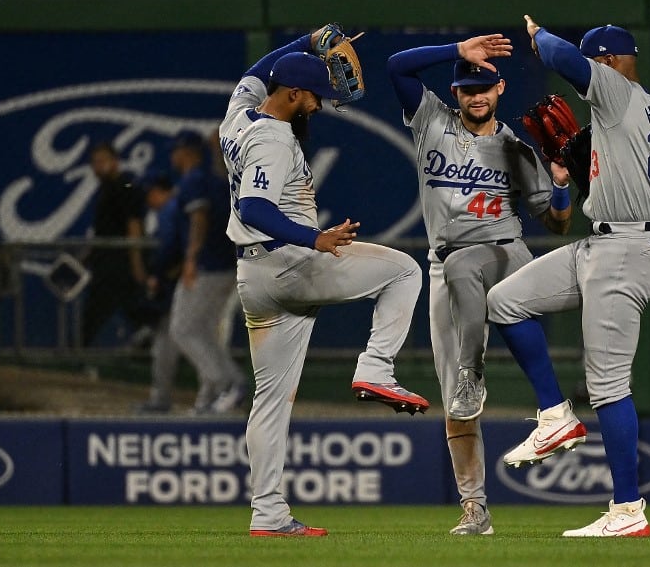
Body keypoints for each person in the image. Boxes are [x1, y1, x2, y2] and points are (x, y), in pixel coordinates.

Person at [219, 28, 429, 537]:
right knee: (405, 270)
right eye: (314, 95)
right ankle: (376, 369)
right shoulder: (273, 137)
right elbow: (254, 207)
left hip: (254, 278)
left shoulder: (238, 116)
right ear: (291, 94)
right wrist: (312, 240)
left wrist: (310, 40)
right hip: (290, 264)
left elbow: (260, 70)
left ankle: (268, 515)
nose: (318, 104)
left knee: (270, 403)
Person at [486, 16, 650, 537]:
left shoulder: (616, 90)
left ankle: (626, 511)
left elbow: (560, 59)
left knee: (609, 387)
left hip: (623, 250)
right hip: (608, 240)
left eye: (595, 63)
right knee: (505, 301)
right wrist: (608, 171)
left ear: (607, 63)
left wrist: (538, 36)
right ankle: (555, 415)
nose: (592, 72)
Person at [387, 34, 572, 535]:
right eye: (467, 87)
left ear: (500, 88)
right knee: (456, 399)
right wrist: (457, 50)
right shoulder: (432, 123)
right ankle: (475, 508)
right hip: (447, 263)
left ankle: (553, 409)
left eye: (484, 87)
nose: (476, 95)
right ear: (455, 90)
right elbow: (397, 66)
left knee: (474, 359)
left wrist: (559, 182)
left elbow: (556, 223)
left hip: (506, 254)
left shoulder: (516, 147)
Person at [136, 153, 247, 415]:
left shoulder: (174, 207)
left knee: (184, 331)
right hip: (222, 268)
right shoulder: (195, 195)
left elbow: (172, 248)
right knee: (202, 333)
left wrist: (160, 276)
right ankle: (214, 393)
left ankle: (225, 385)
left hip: (203, 271)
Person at [82, 141, 148, 348]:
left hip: (120, 263)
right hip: (106, 262)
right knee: (132, 310)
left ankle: (78, 353)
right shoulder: (105, 188)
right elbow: (104, 229)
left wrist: (137, 264)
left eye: (102, 161)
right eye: (94, 162)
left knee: (99, 311)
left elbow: (134, 225)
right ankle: (147, 345)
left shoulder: (125, 185)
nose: (98, 166)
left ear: (115, 162)